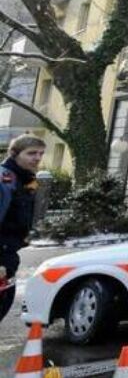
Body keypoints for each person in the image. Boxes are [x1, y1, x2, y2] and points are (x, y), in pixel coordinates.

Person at [0, 136, 45, 322]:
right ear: (14, 154)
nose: (37, 158)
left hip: (9, 253)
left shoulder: (24, 179)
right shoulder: (5, 180)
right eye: (31, 153)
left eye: (41, 153)